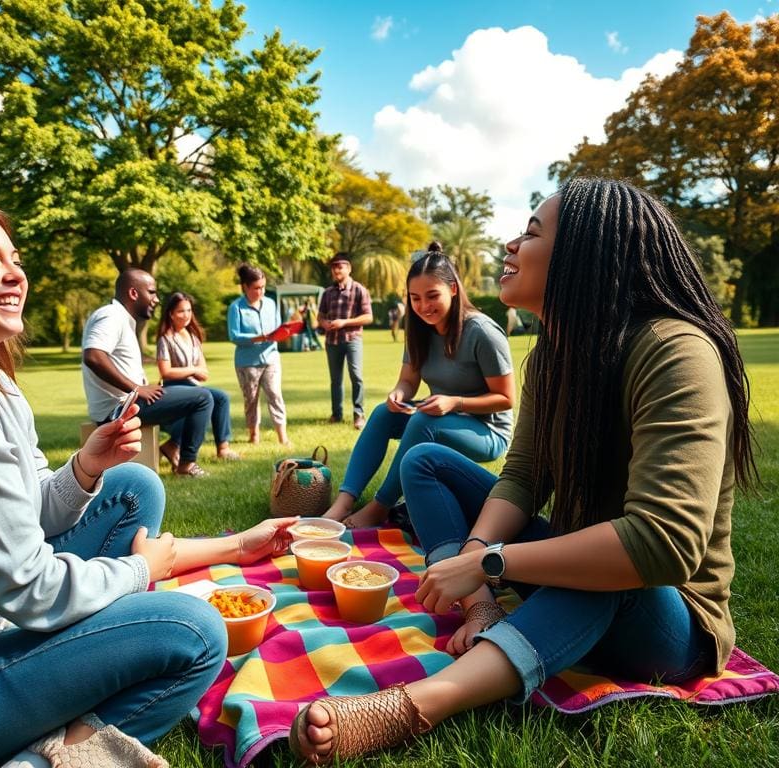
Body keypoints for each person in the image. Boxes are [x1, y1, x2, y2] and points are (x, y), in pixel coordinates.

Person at [290, 178, 758, 764]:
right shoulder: (553, 359)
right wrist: (476, 562)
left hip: (669, 619)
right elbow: (523, 476)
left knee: (608, 573)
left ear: (586, 253)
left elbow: (660, 543)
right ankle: (481, 609)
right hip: (576, 564)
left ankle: (418, 705)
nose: (511, 245)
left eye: (532, 233)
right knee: (425, 461)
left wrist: (492, 561)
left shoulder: (675, 351)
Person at [0, 199, 298, 768]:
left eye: (15, 259)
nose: (15, 275)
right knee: (192, 630)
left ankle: (59, 714)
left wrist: (85, 470)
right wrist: (139, 571)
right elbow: (29, 587)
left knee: (131, 487)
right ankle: (44, 758)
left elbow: (26, 517)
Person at [321, 245, 514, 529]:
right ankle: (342, 503)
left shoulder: (482, 332)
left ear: (453, 289)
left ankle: (380, 507)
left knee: (424, 421)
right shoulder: (419, 330)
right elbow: (408, 381)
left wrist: (454, 402)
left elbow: (505, 398)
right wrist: (398, 394)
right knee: (383, 414)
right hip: (441, 416)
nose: (424, 306)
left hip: (487, 431)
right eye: (415, 298)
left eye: (432, 295)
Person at [81, 268, 213, 477]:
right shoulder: (111, 316)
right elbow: (93, 356)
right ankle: (186, 465)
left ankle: (173, 448)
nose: (157, 299)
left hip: (127, 402)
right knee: (203, 398)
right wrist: (137, 388)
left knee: (205, 397)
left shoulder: (121, 319)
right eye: (151, 292)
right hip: (119, 408)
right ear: (133, 293)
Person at [156, 291, 240, 461]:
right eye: (181, 311)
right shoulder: (165, 339)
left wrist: (196, 371)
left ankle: (223, 448)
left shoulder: (193, 337)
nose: (186, 315)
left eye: (189, 310)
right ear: (171, 314)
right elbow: (166, 372)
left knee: (221, 397)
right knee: (204, 400)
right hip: (173, 386)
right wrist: (193, 370)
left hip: (192, 385)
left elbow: (204, 371)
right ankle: (174, 445)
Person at [226, 264, 290, 445]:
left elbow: (278, 328)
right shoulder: (236, 308)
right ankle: (254, 436)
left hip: (271, 358)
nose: (261, 291)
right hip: (247, 362)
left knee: (275, 395)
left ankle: (283, 437)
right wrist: (258, 338)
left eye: (263, 287)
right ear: (245, 287)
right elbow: (234, 336)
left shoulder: (271, 304)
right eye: (256, 288)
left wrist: (283, 333)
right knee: (251, 399)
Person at [317, 253, 374, 429]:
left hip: (352, 340)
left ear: (349, 269)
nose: (336, 270)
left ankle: (359, 415)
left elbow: (368, 317)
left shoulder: (359, 290)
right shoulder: (327, 293)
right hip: (332, 341)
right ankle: (336, 414)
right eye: (334, 267)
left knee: (356, 376)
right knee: (335, 380)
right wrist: (324, 324)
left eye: (340, 267)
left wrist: (345, 322)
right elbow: (320, 316)